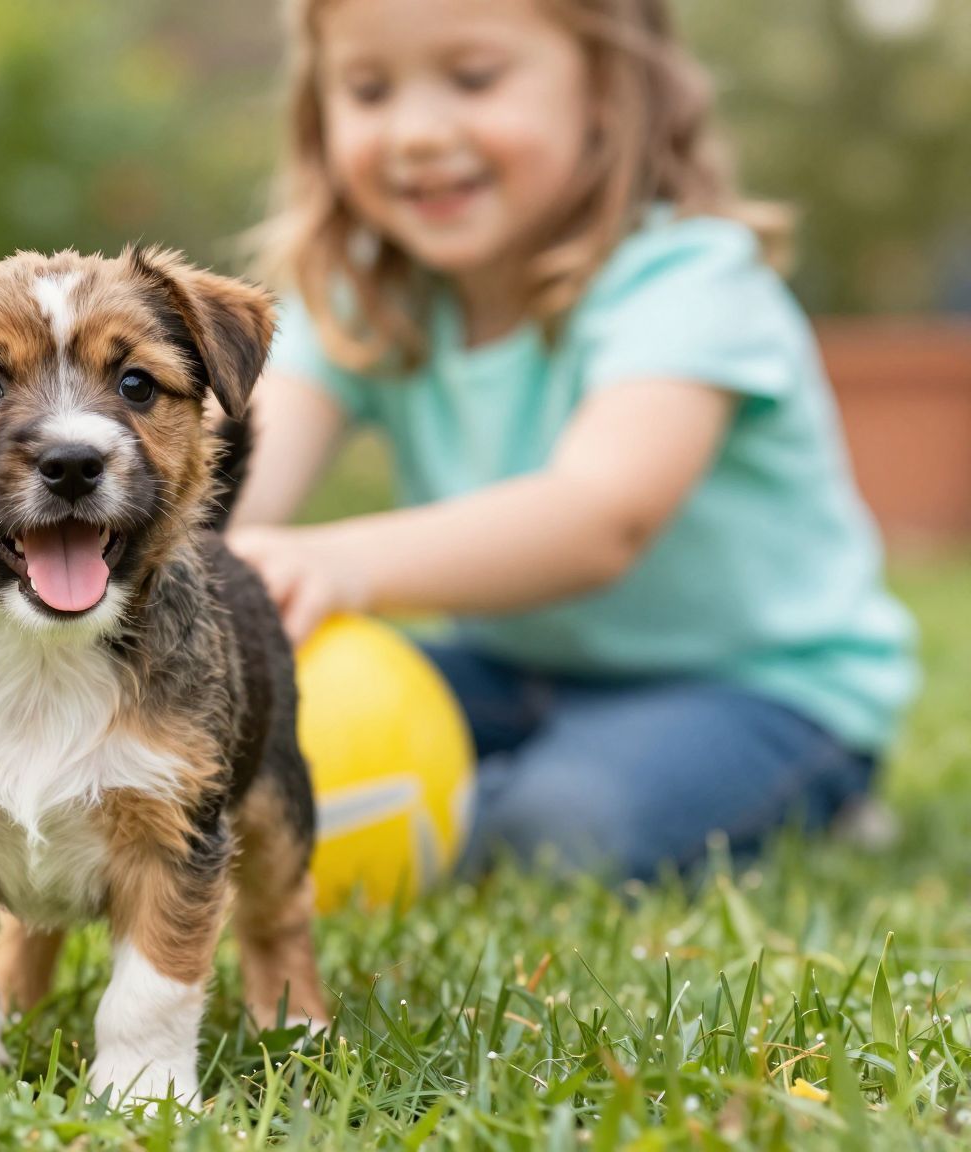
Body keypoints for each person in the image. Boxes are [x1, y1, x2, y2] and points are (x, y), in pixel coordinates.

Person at [228, 0, 919, 881]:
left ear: (608, 89)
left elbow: (603, 517)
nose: (415, 133)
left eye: (474, 78)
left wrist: (342, 562)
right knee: (260, 716)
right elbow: (226, 478)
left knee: (564, 827)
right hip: (510, 664)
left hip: (760, 687)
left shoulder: (686, 278)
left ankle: (821, 799)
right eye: (369, 91)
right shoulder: (371, 294)